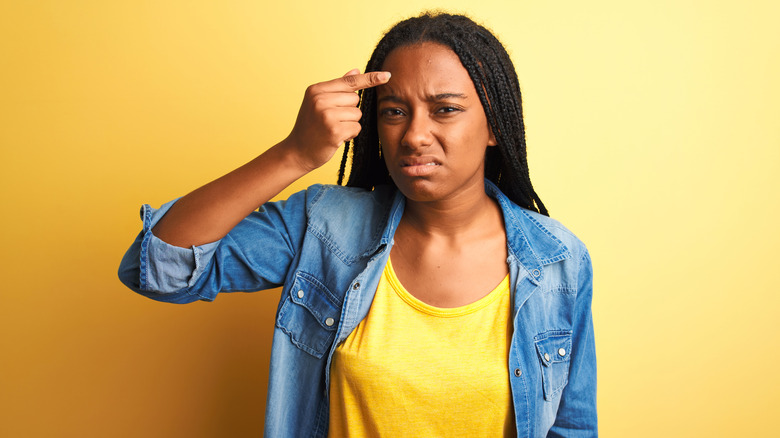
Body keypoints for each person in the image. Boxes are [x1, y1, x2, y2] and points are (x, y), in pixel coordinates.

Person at [118, 12, 596, 438]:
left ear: (494, 125)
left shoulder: (558, 260)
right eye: (394, 111)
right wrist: (295, 152)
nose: (414, 135)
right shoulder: (324, 227)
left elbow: (571, 428)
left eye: (445, 109)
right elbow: (160, 268)